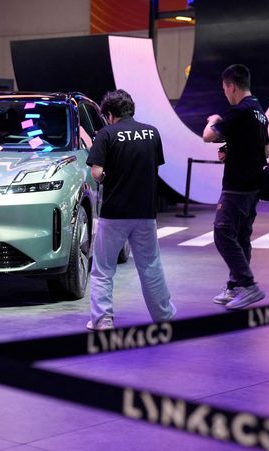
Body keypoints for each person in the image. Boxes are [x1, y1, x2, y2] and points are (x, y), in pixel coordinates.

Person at [85, 89, 176, 330]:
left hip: (115, 212)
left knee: (103, 269)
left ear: (111, 114)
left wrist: (106, 176)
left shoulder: (106, 134)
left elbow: (96, 172)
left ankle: (102, 320)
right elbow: (154, 167)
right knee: (150, 266)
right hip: (145, 211)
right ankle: (164, 316)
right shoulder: (151, 133)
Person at [202, 64, 269, 310]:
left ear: (231, 86)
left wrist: (214, 119)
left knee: (222, 233)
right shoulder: (260, 112)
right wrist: (232, 150)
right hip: (253, 188)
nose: (224, 93)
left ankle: (248, 286)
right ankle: (235, 287)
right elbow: (265, 150)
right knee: (241, 237)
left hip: (236, 186)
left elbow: (208, 135)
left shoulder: (239, 111)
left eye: (224, 88)